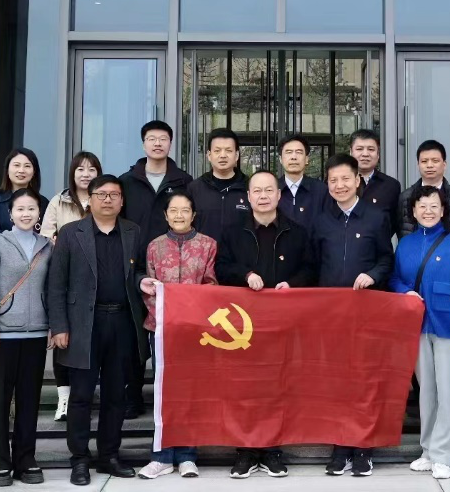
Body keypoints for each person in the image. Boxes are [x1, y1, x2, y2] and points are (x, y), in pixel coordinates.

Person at [216, 169, 317, 480]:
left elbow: (311, 270)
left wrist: (292, 283)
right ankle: (245, 450)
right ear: (248, 196)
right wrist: (245, 275)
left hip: (282, 323)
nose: (263, 196)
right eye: (257, 191)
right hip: (242, 326)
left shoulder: (297, 232)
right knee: (244, 388)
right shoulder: (232, 232)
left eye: (268, 190)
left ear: (278, 195)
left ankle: (272, 449)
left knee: (278, 386)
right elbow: (221, 267)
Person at [47, 175, 147, 486]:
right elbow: (56, 283)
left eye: (114, 195)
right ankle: (79, 459)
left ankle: (109, 456)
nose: (107, 200)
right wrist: (59, 326)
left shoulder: (133, 231)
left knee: (116, 396)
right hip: (82, 326)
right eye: (101, 194)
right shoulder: (70, 233)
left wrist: (143, 280)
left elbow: (139, 271)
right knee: (80, 397)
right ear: (89, 200)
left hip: (122, 323)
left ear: (121, 200)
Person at [310, 153, 394, 478]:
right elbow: (313, 266)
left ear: (358, 180)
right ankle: (340, 447)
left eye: (346, 178)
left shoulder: (376, 217)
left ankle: (363, 448)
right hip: (331, 317)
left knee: (364, 381)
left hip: (366, 314)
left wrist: (372, 275)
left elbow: (387, 260)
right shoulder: (321, 221)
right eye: (333, 180)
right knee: (335, 383)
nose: (340, 185)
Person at [391, 185, 450, 481]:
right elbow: (394, 278)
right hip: (417, 326)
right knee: (426, 391)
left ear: (443, 211)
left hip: (448, 326)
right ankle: (427, 449)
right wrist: (405, 291)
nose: (428, 211)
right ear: (413, 211)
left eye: (433, 206)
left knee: (447, 391)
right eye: (422, 206)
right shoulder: (405, 244)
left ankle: (443, 455)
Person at [136, 193, 218, 480]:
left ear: (193, 215)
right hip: (161, 329)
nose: (179, 215)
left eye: (185, 210)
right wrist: (166, 318)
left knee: (190, 393)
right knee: (163, 392)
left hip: (195, 330)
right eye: (174, 210)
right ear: (166, 215)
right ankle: (161, 457)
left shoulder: (208, 245)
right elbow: (149, 289)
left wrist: (191, 314)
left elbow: (211, 286)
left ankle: (186, 456)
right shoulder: (154, 246)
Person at [0, 188, 52, 487]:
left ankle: (25, 459)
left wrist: (52, 325)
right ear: (10, 214)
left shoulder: (47, 246)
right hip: (2, 335)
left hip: (36, 334)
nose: (26, 213)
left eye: (31, 208)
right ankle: (0, 460)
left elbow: (52, 288)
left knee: (29, 400)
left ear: (39, 213)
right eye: (20, 209)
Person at [119, 120, 191, 418]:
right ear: (143, 143)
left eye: (163, 138)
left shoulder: (184, 181)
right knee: (134, 334)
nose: (158, 143)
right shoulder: (126, 182)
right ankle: (132, 396)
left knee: (173, 335)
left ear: (171, 143)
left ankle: (172, 397)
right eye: (152, 138)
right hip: (134, 266)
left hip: (173, 267)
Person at [41, 151, 102, 422]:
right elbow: (46, 236)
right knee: (63, 338)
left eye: (91, 169)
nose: (86, 174)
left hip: (97, 277)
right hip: (66, 275)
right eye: (81, 169)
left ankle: (85, 394)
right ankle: (64, 398)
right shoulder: (59, 200)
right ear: (72, 173)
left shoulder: (103, 198)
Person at [185, 127, 250, 241]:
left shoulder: (250, 187)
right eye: (217, 151)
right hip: (203, 252)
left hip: (242, 252)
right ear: (209, 155)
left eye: (228, 150)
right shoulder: (194, 188)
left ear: (236, 155)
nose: (223, 155)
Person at [397, 140, 450, 237]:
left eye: (435, 161)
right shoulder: (405, 197)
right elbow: (401, 231)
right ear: (418, 165)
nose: (429, 165)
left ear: (444, 164)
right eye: (424, 161)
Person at [0, 148, 47, 248]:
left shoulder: (43, 203)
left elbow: (46, 241)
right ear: (7, 170)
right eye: (16, 165)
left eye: (27, 166)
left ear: (34, 172)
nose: (21, 170)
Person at [349, 128, 401, 233]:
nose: (365, 154)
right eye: (359, 149)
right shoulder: (339, 183)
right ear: (351, 152)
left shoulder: (391, 185)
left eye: (371, 149)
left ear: (378, 154)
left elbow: (394, 222)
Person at [276, 135, 329, 230]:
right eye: (288, 152)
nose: (293, 157)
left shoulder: (321, 190)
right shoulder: (272, 190)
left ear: (306, 159)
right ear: (280, 159)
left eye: (299, 152)